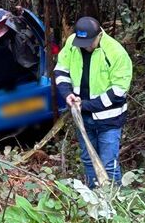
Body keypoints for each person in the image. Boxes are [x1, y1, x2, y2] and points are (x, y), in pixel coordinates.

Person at [54, 17, 132, 186]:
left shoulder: (115, 52)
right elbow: (61, 69)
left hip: (109, 118)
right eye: (83, 43)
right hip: (82, 116)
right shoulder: (73, 43)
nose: (86, 46)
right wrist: (67, 94)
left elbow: (119, 90)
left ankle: (114, 203)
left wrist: (87, 105)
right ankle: (93, 198)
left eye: (90, 42)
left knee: (108, 164)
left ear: (99, 35)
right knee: (88, 159)